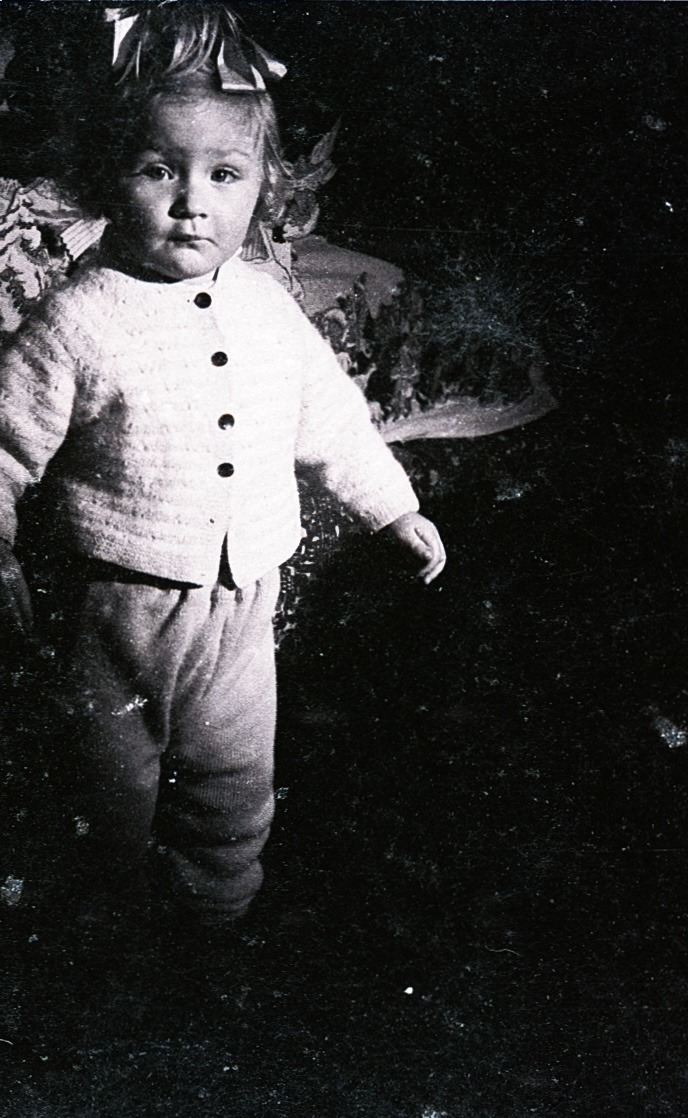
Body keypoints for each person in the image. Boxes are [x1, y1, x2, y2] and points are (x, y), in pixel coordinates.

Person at [0, 7, 444, 931]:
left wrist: (391, 510)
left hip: (244, 601)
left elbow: (331, 417)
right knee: (109, 782)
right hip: (120, 603)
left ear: (263, 193)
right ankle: (106, 935)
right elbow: (5, 445)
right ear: (105, 179)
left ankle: (216, 922)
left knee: (235, 778)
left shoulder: (268, 307)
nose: (192, 200)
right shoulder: (78, 322)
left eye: (225, 175)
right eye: (160, 169)